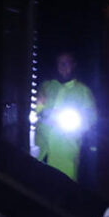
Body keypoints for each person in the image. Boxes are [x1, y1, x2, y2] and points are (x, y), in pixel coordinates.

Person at [37, 52, 95, 180]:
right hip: (42, 153)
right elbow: (36, 110)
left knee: (65, 192)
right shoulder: (46, 87)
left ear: (73, 65)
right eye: (60, 63)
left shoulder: (83, 91)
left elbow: (91, 120)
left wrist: (74, 122)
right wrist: (40, 109)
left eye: (67, 63)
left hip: (67, 155)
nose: (63, 66)